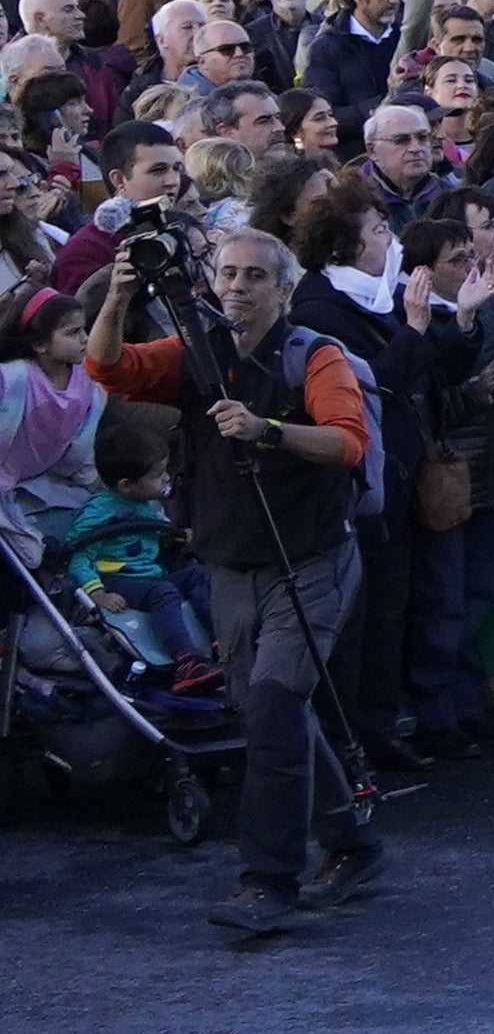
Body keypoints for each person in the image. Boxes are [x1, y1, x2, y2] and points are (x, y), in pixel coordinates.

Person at [87, 218, 382, 939]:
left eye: (255, 276)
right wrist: (118, 297)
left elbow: (347, 442)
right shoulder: (197, 351)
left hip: (309, 561)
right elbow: (108, 368)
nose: (238, 287)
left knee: (277, 703)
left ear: (284, 290)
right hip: (230, 564)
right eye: (228, 274)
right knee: (268, 715)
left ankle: (267, 880)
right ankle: (353, 843)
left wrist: (266, 429)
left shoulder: (315, 356)